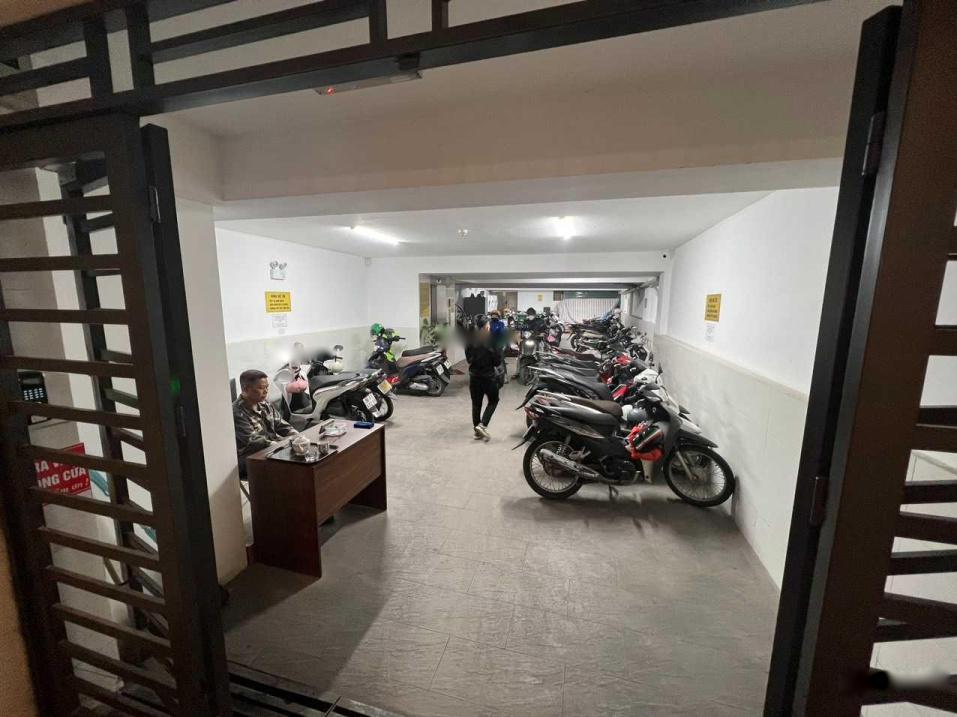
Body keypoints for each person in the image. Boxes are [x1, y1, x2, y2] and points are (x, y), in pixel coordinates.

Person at [233, 369, 299, 461]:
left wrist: (297, 436)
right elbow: (253, 441)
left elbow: (281, 425)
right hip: (253, 457)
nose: (266, 391)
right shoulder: (237, 412)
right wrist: (282, 445)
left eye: (267, 387)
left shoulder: (264, 404)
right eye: (261, 388)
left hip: (273, 448)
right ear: (246, 389)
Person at [465, 315, 503, 441]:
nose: (489, 327)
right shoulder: (492, 341)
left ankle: (477, 431)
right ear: (486, 327)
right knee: (494, 400)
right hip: (488, 378)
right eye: (488, 325)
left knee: (476, 404)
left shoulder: (471, 340)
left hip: (474, 377)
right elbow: (497, 362)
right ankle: (482, 425)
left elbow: (468, 359)